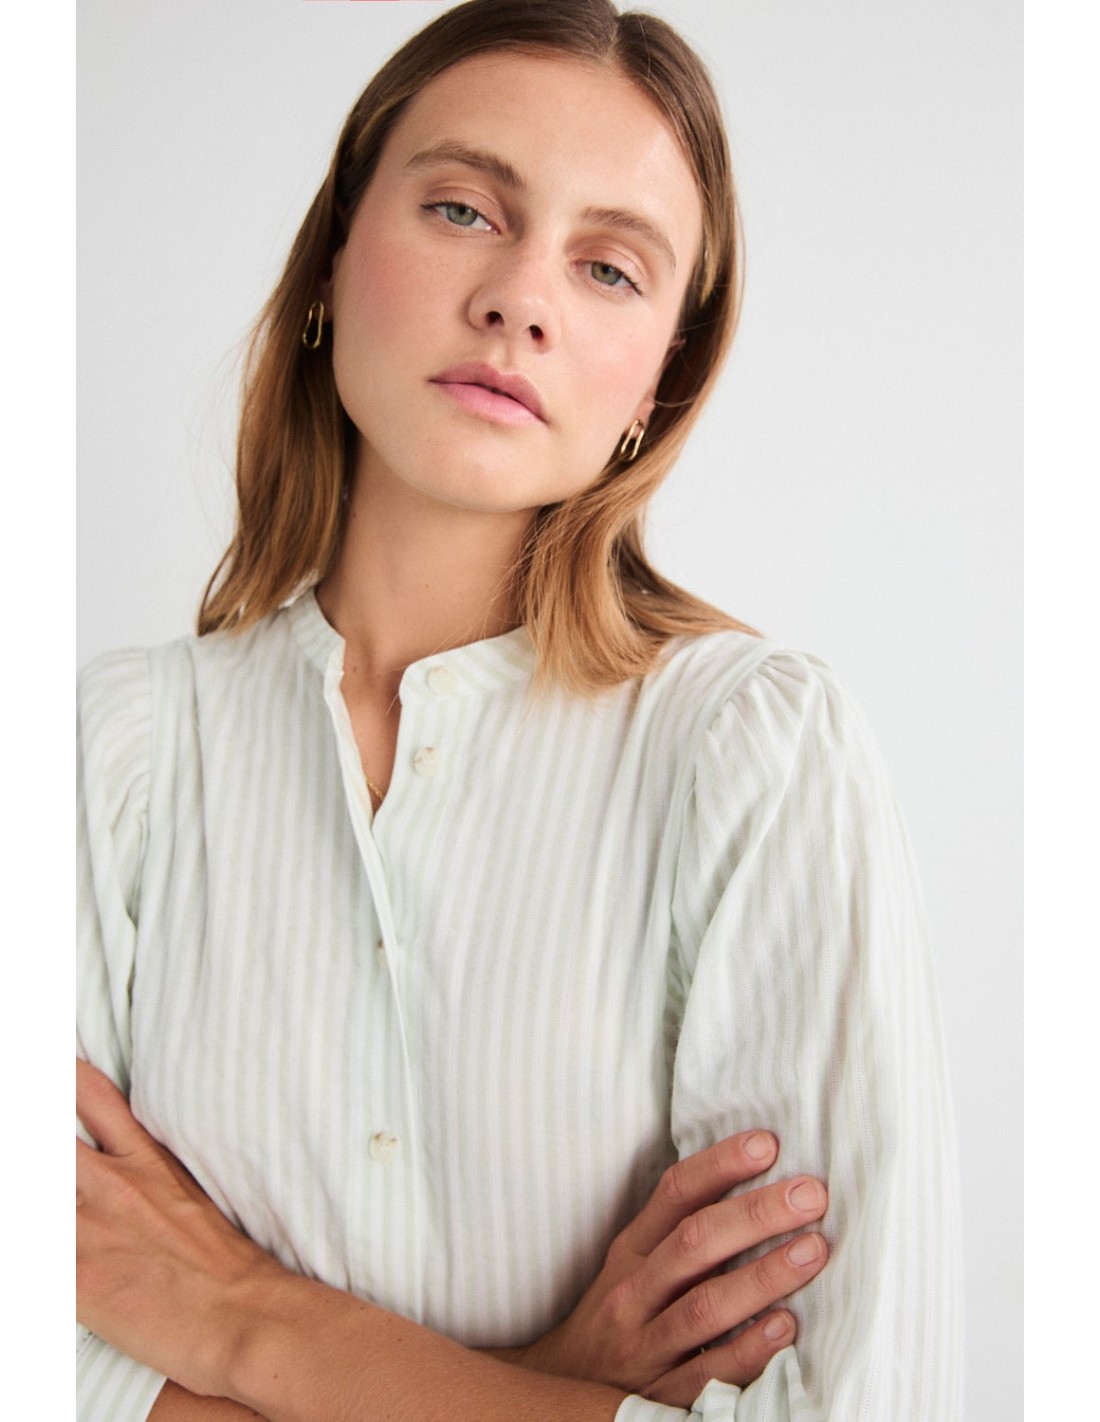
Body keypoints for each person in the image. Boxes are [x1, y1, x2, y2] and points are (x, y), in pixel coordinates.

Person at [76, 1, 962, 1418]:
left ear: (661, 376)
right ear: (334, 254)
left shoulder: (753, 756)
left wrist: (239, 1319)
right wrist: (544, 1390)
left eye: (609, 266)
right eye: (462, 209)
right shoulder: (104, 758)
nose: (520, 300)